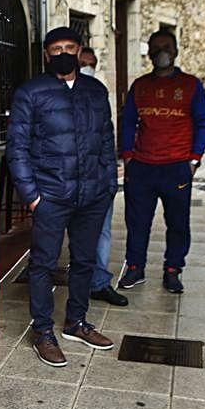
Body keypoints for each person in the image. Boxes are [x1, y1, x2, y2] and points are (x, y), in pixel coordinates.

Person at [7, 27, 117, 368]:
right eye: (56, 49)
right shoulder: (31, 92)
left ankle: (76, 322)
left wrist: (109, 184)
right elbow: (18, 147)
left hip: (93, 195)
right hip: (51, 195)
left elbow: (106, 139)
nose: (63, 53)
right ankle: (43, 331)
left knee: (84, 261)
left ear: (80, 50)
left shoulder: (96, 91)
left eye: (69, 47)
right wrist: (32, 195)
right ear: (46, 54)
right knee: (43, 264)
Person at [118, 30, 205, 294]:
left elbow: (204, 122)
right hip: (142, 167)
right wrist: (128, 156)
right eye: (157, 47)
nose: (162, 52)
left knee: (178, 222)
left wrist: (194, 159)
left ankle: (173, 270)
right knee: (137, 221)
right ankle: (135, 268)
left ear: (176, 50)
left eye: (167, 47)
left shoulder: (191, 85)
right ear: (148, 52)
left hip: (176, 167)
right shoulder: (140, 86)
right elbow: (128, 123)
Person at [78, 47, 128, 307]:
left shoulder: (99, 93)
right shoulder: (52, 94)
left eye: (92, 63)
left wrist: (110, 177)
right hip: (66, 183)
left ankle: (99, 283)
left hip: (99, 178)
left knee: (102, 232)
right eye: (83, 63)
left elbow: (107, 136)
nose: (88, 67)